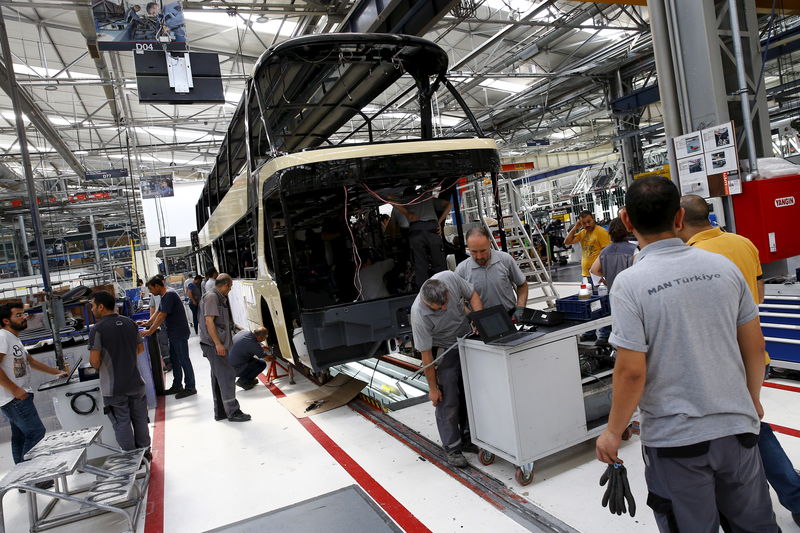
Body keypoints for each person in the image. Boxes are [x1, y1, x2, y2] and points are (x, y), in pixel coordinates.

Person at [595, 176, 777, 531]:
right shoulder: (723, 268)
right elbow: (755, 347)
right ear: (679, 217)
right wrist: (751, 400)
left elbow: (632, 372)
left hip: (677, 443)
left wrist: (613, 431)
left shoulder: (631, 284)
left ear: (628, 222)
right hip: (737, 432)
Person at [678, 193, 800, 526]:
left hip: (720, 360)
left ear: (680, 221)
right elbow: (758, 294)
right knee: (748, 426)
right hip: (753, 352)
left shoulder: (693, 257)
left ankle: (789, 496)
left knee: (750, 431)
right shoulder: (743, 243)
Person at [410, 271, 483, 467]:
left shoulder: (449, 278)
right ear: (426, 303)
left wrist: (479, 319)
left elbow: (473, 295)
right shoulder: (419, 315)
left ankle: (469, 437)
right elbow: (427, 358)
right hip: (445, 350)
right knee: (448, 398)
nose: (445, 307)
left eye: (446, 302)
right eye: (439, 307)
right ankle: (453, 447)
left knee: (472, 393)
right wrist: (433, 389)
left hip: (467, 339)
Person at [0, 302, 66, 489]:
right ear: (6, 320)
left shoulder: (14, 339)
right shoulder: (3, 337)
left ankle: (22, 481)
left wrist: (57, 372)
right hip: (13, 398)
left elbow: (31, 362)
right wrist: (14, 390)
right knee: (36, 432)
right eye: (19, 315)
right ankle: (34, 479)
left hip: (18, 395)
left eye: (24, 314)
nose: (24, 317)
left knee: (20, 437)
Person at [88, 291, 151, 460]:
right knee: (140, 419)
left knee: (122, 422)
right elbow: (140, 349)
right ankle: (146, 451)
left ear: (101, 306)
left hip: (114, 387)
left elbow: (94, 361)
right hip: (136, 382)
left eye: (93, 306)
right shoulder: (130, 323)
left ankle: (131, 458)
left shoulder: (98, 330)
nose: (92, 310)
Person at [199, 274, 250, 422]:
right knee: (227, 376)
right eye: (230, 287)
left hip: (215, 344)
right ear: (226, 284)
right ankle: (233, 412)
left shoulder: (217, 297)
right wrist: (218, 344)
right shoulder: (212, 297)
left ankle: (221, 411)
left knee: (217, 377)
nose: (230, 290)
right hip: (213, 345)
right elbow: (209, 321)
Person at [455, 226, 527, 319]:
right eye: (474, 252)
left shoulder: (505, 260)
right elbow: (456, 299)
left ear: (490, 243)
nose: (479, 256)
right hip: (482, 321)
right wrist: (472, 317)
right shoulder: (462, 270)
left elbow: (522, 285)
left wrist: (520, 308)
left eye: (483, 250)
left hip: (509, 316)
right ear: (468, 247)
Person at [144, 276, 196, 399]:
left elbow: (162, 315)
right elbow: (158, 311)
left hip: (179, 333)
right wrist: (147, 323)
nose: (150, 292)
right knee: (175, 360)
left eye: (151, 289)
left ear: (157, 286)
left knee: (183, 360)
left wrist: (150, 331)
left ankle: (190, 387)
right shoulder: (164, 296)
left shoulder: (169, 295)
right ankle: (177, 385)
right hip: (173, 333)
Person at [588, 217, 637, 346]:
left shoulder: (605, 251)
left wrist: (605, 278)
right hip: (630, 295)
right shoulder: (633, 249)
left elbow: (594, 270)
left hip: (612, 293)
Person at [564, 210, 610, 342]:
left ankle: (604, 334)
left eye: (589, 221)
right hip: (586, 276)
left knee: (601, 305)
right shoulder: (583, 232)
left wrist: (602, 274)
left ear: (593, 219)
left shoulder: (601, 232)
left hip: (598, 275)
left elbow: (606, 252)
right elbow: (567, 242)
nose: (587, 224)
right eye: (584, 223)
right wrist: (576, 227)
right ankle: (590, 332)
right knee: (588, 305)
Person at [394, 194, 450, 287]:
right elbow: (449, 205)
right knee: (439, 264)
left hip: (415, 230)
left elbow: (390, 200)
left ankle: (423, 293)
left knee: (420, 265)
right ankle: (443, 287)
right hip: (432, 229)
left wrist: (407, 213)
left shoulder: (408, 199)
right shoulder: (428, 198)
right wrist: (439, 222)